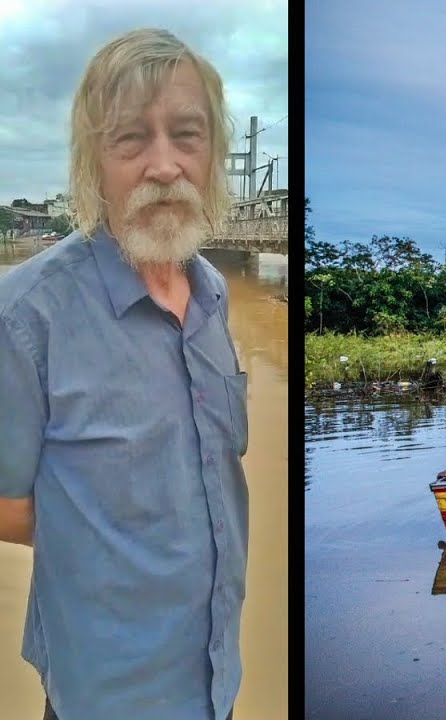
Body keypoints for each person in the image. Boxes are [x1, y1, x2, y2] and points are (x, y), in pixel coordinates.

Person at [0, 29, 245, 720]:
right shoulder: (26, 317)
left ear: (213, 155)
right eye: (130, 139)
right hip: (108, 694)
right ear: (93, 162)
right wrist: (115, 540)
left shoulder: (215, 297)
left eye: (186, 135)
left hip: (216, 676)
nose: (164, 165)